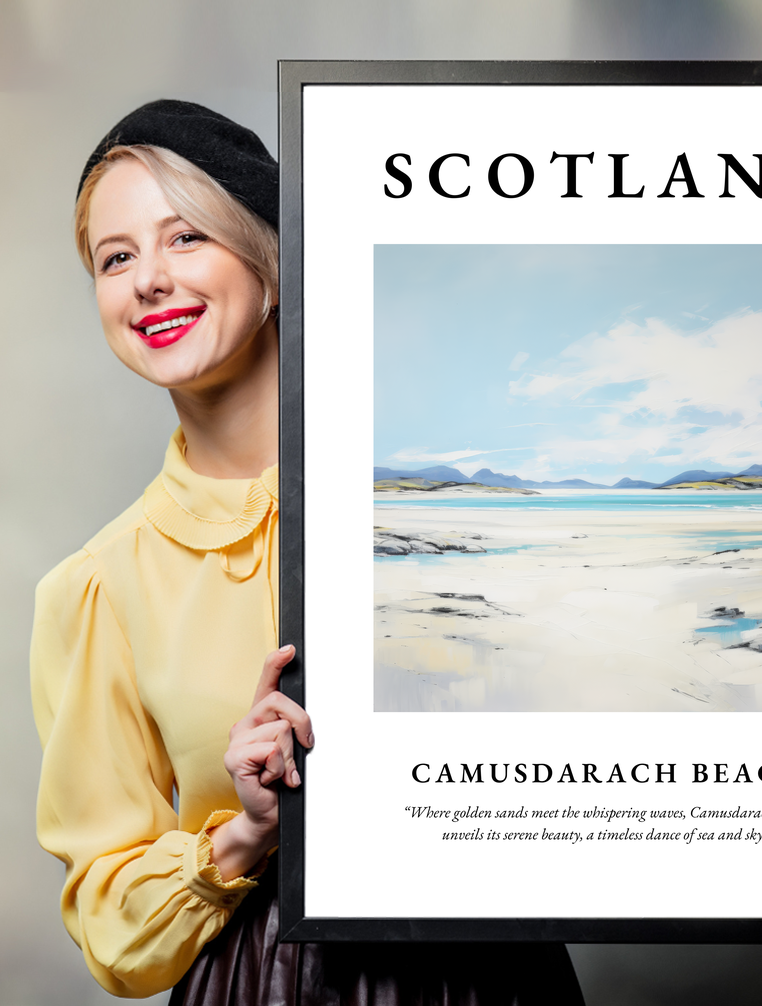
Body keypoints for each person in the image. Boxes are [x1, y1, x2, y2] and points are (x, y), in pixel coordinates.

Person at [30, 100, 585, 1004]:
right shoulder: (97, 587)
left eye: (186, 239)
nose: (148, 281)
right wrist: (244, 832)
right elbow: (110, 923)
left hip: (492, 973)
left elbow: (607, 710)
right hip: (262, 982)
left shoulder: (455, 508)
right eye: (116, 257)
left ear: (274, 264)